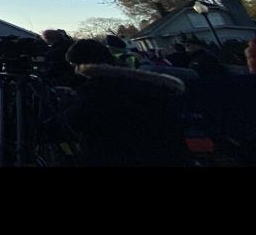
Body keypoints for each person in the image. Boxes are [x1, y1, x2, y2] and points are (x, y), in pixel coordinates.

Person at [61, 39, 191, 166]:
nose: (75, 70)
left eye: (75, 64)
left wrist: (68, 101)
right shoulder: (146, 83)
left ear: (85, 63)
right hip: (166, 154)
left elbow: (76, 120)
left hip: (122, 156)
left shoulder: (99, 88)